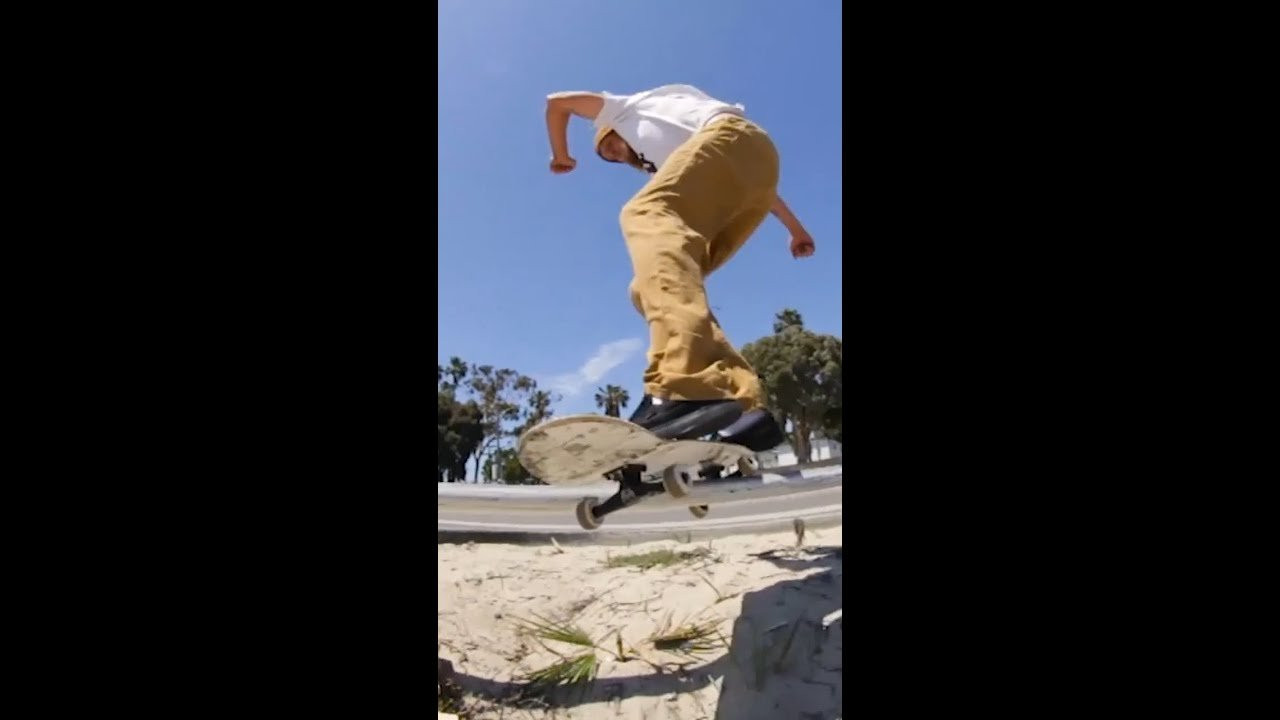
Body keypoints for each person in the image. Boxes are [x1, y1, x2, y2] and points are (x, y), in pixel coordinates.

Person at [544, 84, 815, 451]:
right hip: (755, 174)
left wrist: (562, 154)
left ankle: (681, 382)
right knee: (649, 284)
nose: (612, 154)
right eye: (608, 156)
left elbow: (557, 104)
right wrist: (796, 229)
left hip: (732, 138)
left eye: (609, 145)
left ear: (612, 127)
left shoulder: (622, 108)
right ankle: (744, 407)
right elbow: (755, 178)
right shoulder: (675, 162)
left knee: (645, 212)